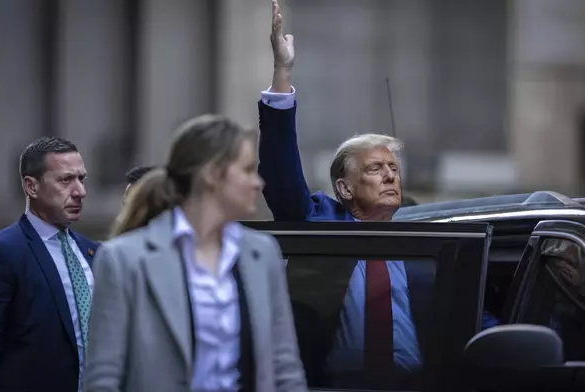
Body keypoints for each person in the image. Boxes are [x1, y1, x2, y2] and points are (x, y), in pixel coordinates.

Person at [258, 1, 496, 388]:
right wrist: (282, 72)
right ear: (344, 188)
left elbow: (473, 317)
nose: (389, 175)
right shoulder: (318, 221)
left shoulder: (433, 241)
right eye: (374, 169)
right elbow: (279, 173)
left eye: (393, 169)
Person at [83, 114, 308, 392]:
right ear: (212, 174)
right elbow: (103, 379)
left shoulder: (262, 254)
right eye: (248, 170)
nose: (258, 183)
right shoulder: (124, 260)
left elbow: (285, 370)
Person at [0, 137, 99, 392]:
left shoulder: (95, 253)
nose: (80, 191)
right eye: (66, 180)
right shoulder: (0, 253)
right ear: (31, 186)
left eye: (82, 179)